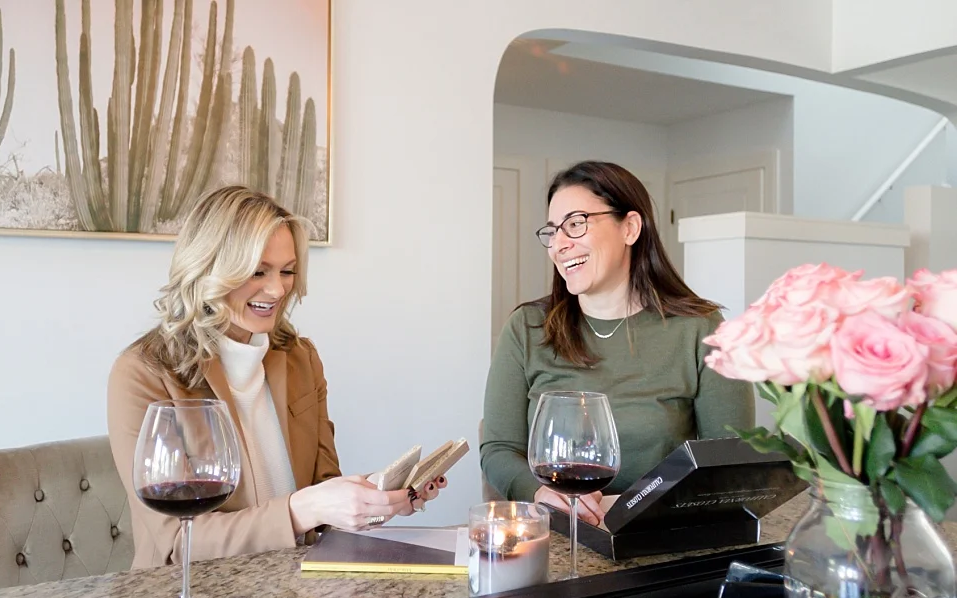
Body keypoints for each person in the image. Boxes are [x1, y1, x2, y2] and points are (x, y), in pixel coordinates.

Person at [108, 186, 444, 568]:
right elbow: (180, 540)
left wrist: (378, 499)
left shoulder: (301, 358)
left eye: (287, 271)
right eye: (258, 271)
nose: (277, 289)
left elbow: (321, 497)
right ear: (208, 268)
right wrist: (304, 509)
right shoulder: (144, 374)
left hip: (292, 583)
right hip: (188, 593)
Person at [481, 160, 754, 526]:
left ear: (630, 227)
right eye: (553, 231)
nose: (559, 244)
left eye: (576, 224)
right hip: (558, 532)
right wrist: (540, 493)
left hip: (661, 533)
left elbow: (730, 463)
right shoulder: (527, 328)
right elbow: (499, 449)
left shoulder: (702, 330)